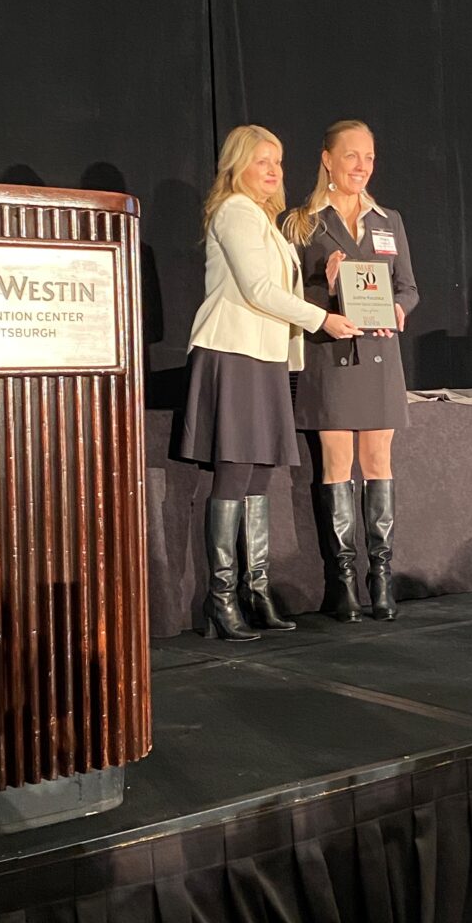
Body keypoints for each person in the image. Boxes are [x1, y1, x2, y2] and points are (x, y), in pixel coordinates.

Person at [181, 125, 361, 641]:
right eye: (262, 161)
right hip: (234, 352)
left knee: (258, 475)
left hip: (264, 356)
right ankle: (222, 598)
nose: (273, 171)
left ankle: (255, 590)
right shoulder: (236, 210)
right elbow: (258, 289)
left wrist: (322, 290)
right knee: (236, 473)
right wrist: (321, 319)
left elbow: (276, 288)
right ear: (238, 165)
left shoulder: (266, 219)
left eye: (277, 162)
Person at [283, 120, 419, 623]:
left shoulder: (389, 220)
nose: (361, 166)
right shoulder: (300, 223)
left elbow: (408, 286)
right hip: (329, 355)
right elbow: (285, 297)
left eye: (368, 157)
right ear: (327, 159)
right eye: (351, 156)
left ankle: (380, 578)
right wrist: (326, 282)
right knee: (336, 465)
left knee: (378, 461)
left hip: (380, 358)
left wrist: (400, 309)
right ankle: (340, 582)